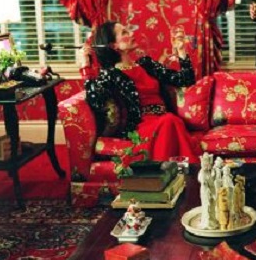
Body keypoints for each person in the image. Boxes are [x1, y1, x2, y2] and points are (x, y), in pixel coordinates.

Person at [80, 21, 198, 164]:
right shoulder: (111, 74)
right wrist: (86, 66)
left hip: (164, 119)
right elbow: (95, 100)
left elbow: (185, 79)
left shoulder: (146, 64)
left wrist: (181, 50)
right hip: (141, 125)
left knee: (172, 121)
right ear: (113, 46)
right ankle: (176, 171)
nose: (132, 34)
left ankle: (179, 172)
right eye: (124, 33)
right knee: (170, 121)